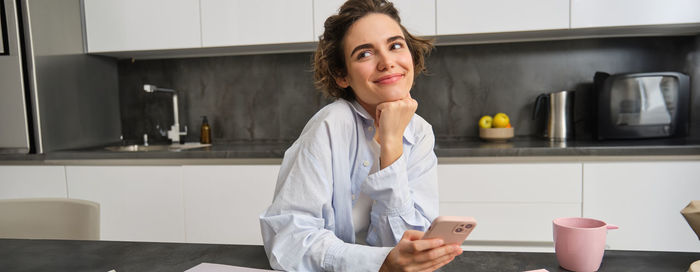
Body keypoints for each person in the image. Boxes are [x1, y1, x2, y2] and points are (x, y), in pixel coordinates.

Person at [259, 0, 463, 271]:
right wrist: (381, 262)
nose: (387, 62)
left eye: (395, 45)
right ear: (342, 75)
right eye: (365, 54)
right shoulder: (331, 124)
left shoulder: (420, 131)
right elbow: (288, 242)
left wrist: (391, 146)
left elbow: (409, 245)